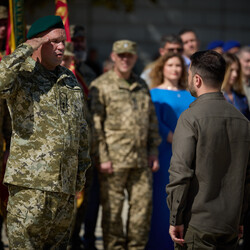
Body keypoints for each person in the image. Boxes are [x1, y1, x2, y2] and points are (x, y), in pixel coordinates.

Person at [0, 15, 91, 249]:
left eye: (63, 41)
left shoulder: (68, 78)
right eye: (54, 41)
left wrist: (79, 175)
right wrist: (24, 50)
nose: (62, 46)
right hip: (31, 187)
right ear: (37, 43)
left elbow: (80, 129)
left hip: (64, 188)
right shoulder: (22, 73)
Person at [166, 50, 250, 249]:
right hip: (229, 223)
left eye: (188, 74)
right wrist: (240, 218)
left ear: (196, 79)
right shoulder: (243, 121)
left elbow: (181, 173)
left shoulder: (190, 118)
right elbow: (247, 177)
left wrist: (175, 218)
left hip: (197, 224)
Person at [90, 39, 161, 250]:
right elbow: (95, 125)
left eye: (129, 55)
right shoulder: (100, 85)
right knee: (112, 213)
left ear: (135, 58)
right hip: (113, 161)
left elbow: (151, 121)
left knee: (142, 211)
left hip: (140, 160)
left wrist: (153, 151)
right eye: (120, 55)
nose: (125, 59)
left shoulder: (141, 85)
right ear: (113, 56)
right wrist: (102, 157)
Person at [146, 53, 195, 250]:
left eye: (178, 65)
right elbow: (155, 123)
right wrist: (178, 140)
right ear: (162, 68)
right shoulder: (154, 93)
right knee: (162, 202)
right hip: (166, 154)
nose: (175, 69)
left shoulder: (189, 94)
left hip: (190, 154)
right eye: (171, 65)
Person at [222, 53, 250, 119]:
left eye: (237, 71)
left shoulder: (241, 97)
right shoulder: (215, 96)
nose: (235, 74)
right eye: (231, 70)